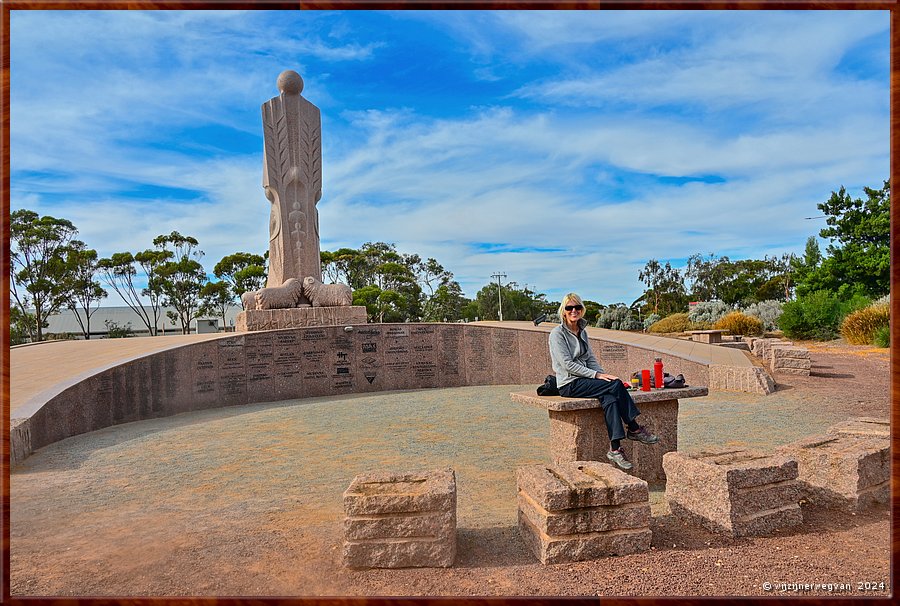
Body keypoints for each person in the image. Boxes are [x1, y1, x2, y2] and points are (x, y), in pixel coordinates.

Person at [548, 292, 658, 470]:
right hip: (569, 383)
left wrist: (604, 375)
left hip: (586, 379)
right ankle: (634, 428)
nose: (573, 310)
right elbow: (567, 364)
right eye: (569, 308)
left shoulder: (582, 331)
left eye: (577, 307)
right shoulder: (557, 334)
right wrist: (598, 377)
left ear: (582, 309)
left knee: (611, 397)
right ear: (564, 311)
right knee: (614, 386)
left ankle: (615, 449)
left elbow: (590, 359)